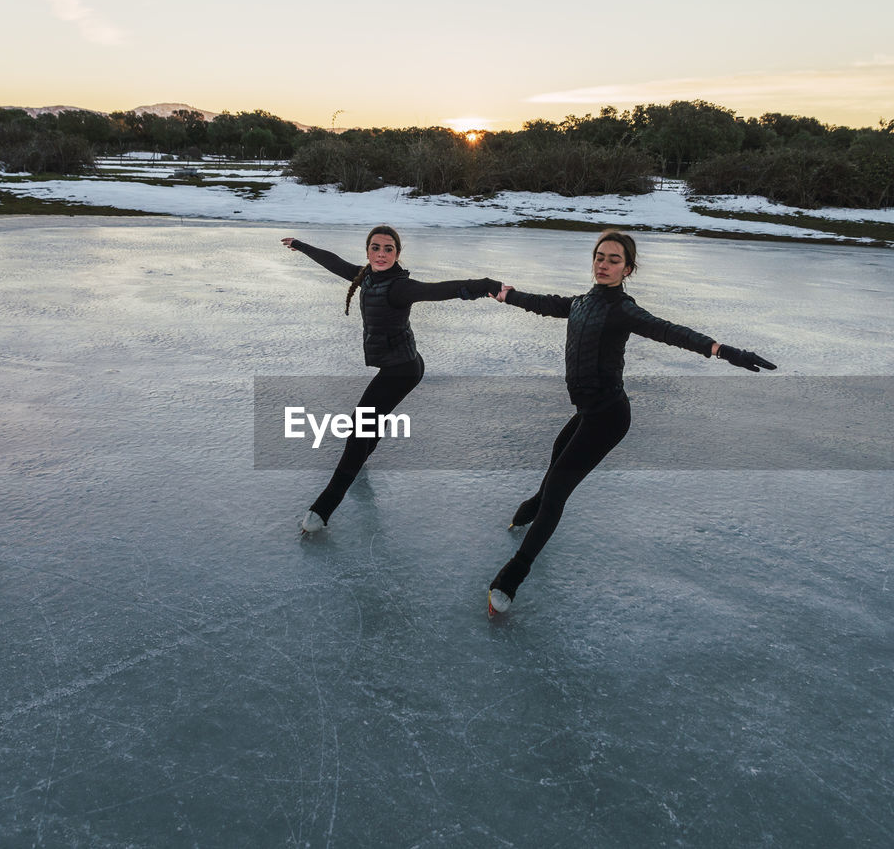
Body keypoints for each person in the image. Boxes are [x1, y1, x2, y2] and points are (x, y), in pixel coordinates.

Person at [487, 229, 776, 616]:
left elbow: (669, 331)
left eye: (614, 260)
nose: (604, 265)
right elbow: (543, 303)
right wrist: (506, 294)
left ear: (628, 268)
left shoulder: (623, 309)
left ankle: (512, 576)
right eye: (600, 257)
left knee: (557, 493)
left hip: (608, 418)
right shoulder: (581, 303)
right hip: (588, 413)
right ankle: (527, 511)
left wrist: (723, 351)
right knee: (553, 472)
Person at [281, 226, 501, 532]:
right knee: (372, 418)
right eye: (375, 248)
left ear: (397, 253)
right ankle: (361, 461)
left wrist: (487, 286)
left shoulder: (400, 287)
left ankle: (324, 506)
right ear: (368, 251)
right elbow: (333, 262)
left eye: (388, 249)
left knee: (359, 426)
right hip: (400, 364)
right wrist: (301, 245)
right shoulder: (366, 276)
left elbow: (441, 290)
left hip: (403, 371)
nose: (381, 254)